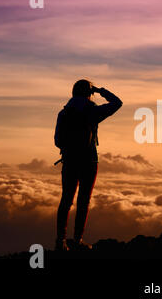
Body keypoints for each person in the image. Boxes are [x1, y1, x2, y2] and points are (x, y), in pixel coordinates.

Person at [54, 79, 122, 251]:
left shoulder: (64, 113)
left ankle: (60, 241)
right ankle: (78, 241)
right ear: (89, 94)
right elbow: (117, 103)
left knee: (66, 200)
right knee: (83, 201)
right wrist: (101, 91)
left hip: (69, 160)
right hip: (89, 161)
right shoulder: (93, 112)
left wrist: (69, 149)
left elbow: (57, 141)